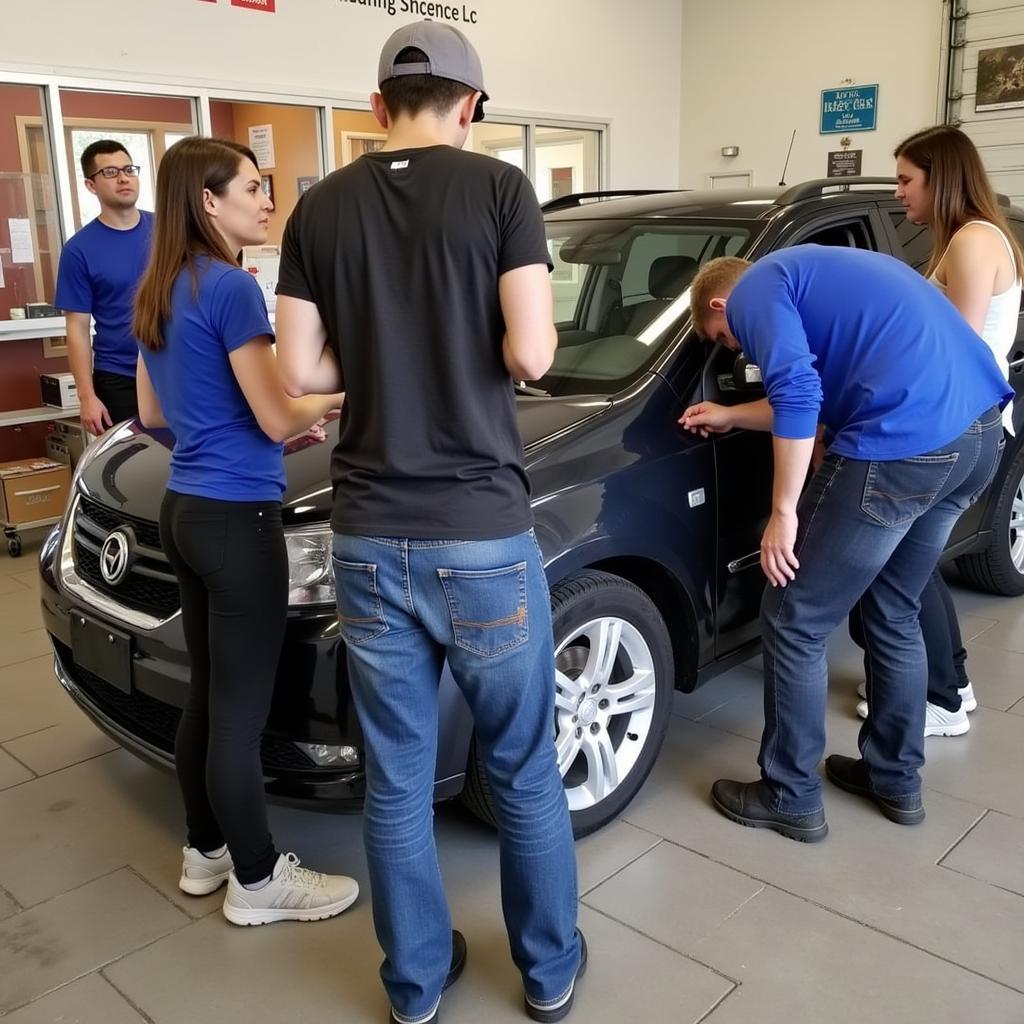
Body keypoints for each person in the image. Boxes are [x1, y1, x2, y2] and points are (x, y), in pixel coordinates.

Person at [274, 21, 584, 1024]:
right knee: (522, 767)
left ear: (376, 108)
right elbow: (533, 355)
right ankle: (545, 971)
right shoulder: (498, 192)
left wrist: (379, 352)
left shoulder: (319, 207)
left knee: (397, 779)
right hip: (481, 533)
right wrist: (468, 337)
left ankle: (412, 985)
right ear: (472, 107)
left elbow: (298, 375)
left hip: (366, 533)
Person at [680, 246, 1011, 842]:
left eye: (725, 339)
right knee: (893, 606)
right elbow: (816, 398)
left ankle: (790, 795)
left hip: (906, 447)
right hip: (978, 437)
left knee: (795, 616)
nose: (738, 350)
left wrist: (783, 512)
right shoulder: (818, 279)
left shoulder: (756, 293)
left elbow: (800, 396)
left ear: (722, 303)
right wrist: (731, 417)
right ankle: (895, 778)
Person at [132, 136, 357, 925]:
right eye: (254, 188)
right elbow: (276, 408)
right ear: (209, 201)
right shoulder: (229, 288)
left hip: (185, 508)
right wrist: (338, 399)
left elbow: (155, 415)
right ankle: (259, 882)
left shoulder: (158, 286)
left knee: (208, 697)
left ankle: (205, 853)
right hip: (235, 520)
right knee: (239, 715)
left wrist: (241, 432)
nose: (268, 201)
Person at [849, 125, 1023, 737]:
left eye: (905, 179)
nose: (898, 192)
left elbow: (955, 345)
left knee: (900, 570)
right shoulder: (969, 238)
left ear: (941, 177)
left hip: (952, 425)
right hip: (967, 421)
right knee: (914, 565)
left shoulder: (973, 241)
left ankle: (940, 699)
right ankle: (951, 685)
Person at [55, 140, 152, 435]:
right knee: (133, 474)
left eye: (128, 169)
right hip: (119, 379)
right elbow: (77, 328)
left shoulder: (169, 231)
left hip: (177, 370)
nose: (123, 178)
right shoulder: (79, 250)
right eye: (110, 172)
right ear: (91, 185)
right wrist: (87, 397)